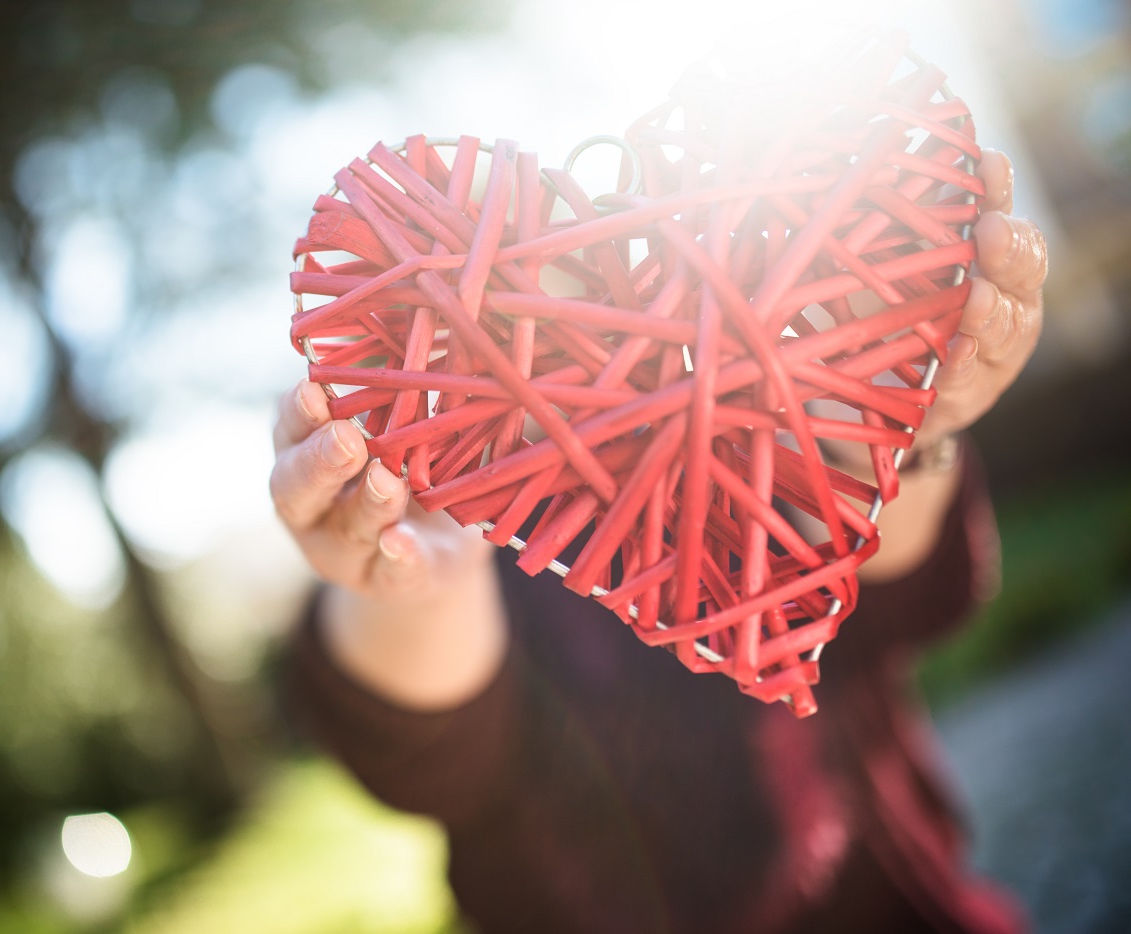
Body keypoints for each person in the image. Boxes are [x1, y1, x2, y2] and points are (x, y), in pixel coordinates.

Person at [270, 148, 1045, 932]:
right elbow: (427, 753)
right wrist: (419, 582)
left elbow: (905, 597)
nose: (515, 308)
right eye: (471, 295)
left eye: (526, 239)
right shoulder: (450, 525)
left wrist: (894, 430)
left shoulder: (738, 403)